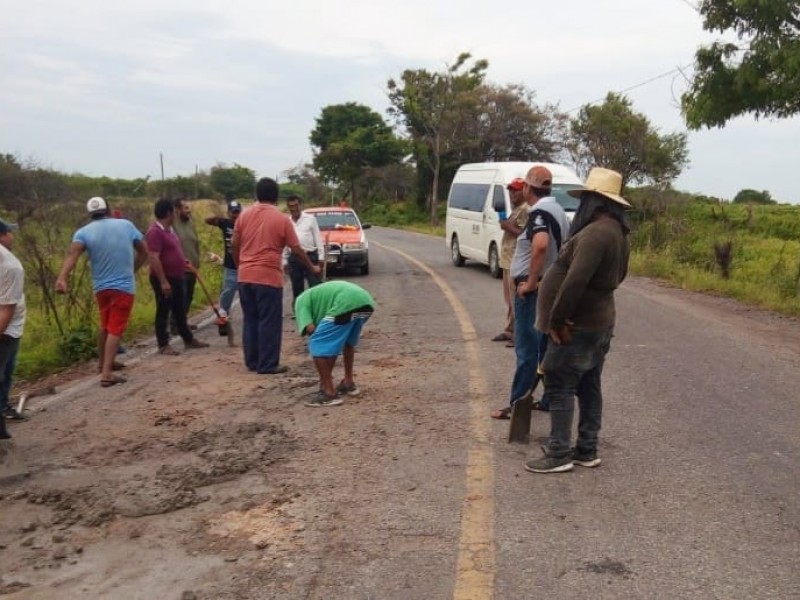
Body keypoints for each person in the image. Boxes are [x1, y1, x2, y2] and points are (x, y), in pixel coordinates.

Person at [525, 167, 631, 474]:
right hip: (600, 321)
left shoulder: (596, 234)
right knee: (588, 384)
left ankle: (559, 452)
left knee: (559, 383)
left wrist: (557, 320)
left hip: (578, 325)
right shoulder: (618, 233)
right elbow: (617, 277)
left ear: (594, 201)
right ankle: (587, 448)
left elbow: (575, 281)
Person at [490, 166, 570, 420]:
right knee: (544, 347)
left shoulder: (539, 213)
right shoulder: (557, 210)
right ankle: (547, 399)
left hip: (534, 288)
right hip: (551, 285)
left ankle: (518, 405)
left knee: (527, 349)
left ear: (527, 188)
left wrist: (531, 282)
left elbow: (541, 245)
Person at [55, 197, 149, 387]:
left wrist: (62, 278)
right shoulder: (126, 225)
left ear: (90, 213)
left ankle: (103, 364)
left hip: (101, 288)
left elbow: (72, 255)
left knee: (105, 325)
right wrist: (133, 269)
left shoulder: (83, 232)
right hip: (123, 287)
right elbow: (144, 251)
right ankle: (107, 374)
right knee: (116, 328)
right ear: (108, 209)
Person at [231, 178, 320, 374]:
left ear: (257, 195)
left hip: (245, 277)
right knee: (269, 321)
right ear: (276, 196)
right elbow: (296, 249)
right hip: (267, 278)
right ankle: (268, 363)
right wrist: (311, 266)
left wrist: (240, 266)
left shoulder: (243, 217)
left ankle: (252, 361)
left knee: (251, 319)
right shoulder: (281, 219)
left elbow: (234, 245)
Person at [294, 280, 375, 407]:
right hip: (366, 302)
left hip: (345, 302)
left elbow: (310, 329)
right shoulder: (316, 298)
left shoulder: (300, 301)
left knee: (317, 343)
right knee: (347, 342)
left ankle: (329, 393)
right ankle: (348, 383)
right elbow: (332, 344)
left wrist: (324, 378)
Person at [145, 198, 209, 355]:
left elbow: (174, 249)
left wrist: (183, 260)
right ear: (168, 213)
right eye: (173, 211)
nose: (175, 213)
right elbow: (154, 257)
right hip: (165, 278)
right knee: (163, 310)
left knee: (180, 309)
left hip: (177, 275)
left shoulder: (169, 230)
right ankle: (163, 344)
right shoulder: (155, 232)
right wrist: (163, 281)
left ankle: (188, 339)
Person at [492, 177, 528, 347]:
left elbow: (525, 234)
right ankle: (510, 329)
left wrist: (507, 226)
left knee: (515, 300)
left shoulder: (525, 209)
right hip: (507, 260)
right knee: (509, 299)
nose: (512, 192)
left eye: (516, 189)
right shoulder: (517, 209)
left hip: (516, 260)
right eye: (510, 189)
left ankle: (518, 335)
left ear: (525, 191)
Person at [0, 219, 25, 437]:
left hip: (7, 329)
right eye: (9, 232)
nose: (12, 237)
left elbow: (7, 310)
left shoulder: (10, 266)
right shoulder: (10, 266)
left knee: (5, 373)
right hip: (6, 329)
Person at [205, 199, 242, 345]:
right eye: (233, 212)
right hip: (230, 266)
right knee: (227, 293)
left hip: (244, 265)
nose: (235, 215)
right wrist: (219, 219)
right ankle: (223, 317)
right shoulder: (225, 223)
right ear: (229, 213)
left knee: (247, 294)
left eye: (237, 212)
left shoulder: (245, 224)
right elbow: (207, 221)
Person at [285, 195, 323, 307]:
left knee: (314, 285)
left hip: (310, 256)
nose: (294, 208)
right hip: (294, 258)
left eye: (296, 205)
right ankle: (299, 310)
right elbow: (284, 243)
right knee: (297, 286)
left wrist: (321, 258)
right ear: (288, 207)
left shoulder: (310, 219)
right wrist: (284, 261)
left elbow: (318, 239)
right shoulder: (286, 222)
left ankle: (316, 308)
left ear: (300, 205)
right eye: (291, 206)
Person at [171, 198, 200, 334]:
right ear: (177, 210)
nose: (188, 211)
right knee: (180, 297)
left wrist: (197, 261)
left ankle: (183, 322)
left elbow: (195, 242)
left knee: (188, 296)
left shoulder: (190, 223)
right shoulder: (173, 225)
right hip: (180, 268)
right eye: (185, 208)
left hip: (193, 267)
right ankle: (175, 325)